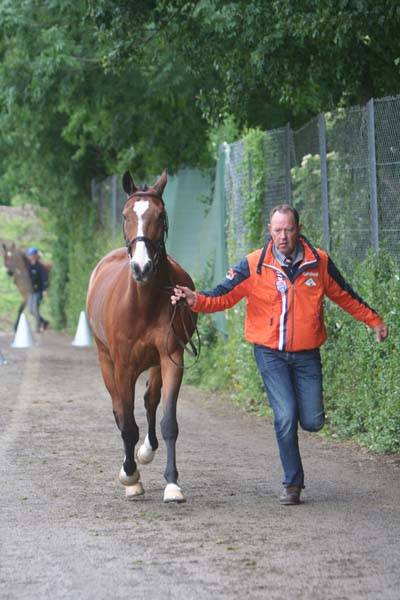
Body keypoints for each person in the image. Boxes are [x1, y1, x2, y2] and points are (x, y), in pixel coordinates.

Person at [171, 204, 388, 505]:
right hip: (270, 353)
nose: (283, 236)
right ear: (269, 231)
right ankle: (292, 483)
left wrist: (373, 320)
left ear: (298, 229)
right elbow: (223, 295)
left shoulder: (318, 263)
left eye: (288, 229)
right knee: (285, 416)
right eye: (277, 230)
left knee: (312, 421)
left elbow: (345, 295)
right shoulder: (254, 264)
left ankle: (296, 416)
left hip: (307, 354)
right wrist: (195, 299)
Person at [26, 246, 50, 333]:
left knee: (35, 309)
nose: (31, 256)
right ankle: (44, 322)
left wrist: (44, 290)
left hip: (38, 291)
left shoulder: (40, 267)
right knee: (31, 310)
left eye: (32, 254)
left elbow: (44, 279)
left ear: (36, 255)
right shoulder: (28, 266)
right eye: (30, 255)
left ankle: (38, 327)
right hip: (31, 292)